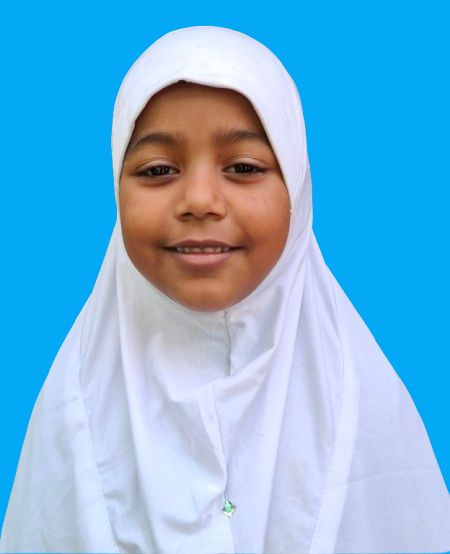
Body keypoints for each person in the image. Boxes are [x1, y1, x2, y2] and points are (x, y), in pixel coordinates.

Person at [1, 26, 449, 554]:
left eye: (243, 167)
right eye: (158, 169)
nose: (199, 200)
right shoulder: (73, 410)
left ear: (297, 187)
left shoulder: (362, 410)